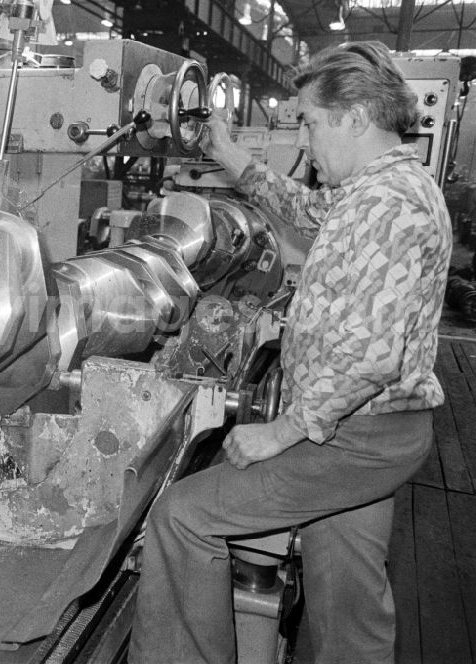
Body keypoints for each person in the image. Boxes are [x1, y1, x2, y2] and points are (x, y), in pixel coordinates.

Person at [129, 41, 452, 663]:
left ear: (355, 116)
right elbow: (304, 210)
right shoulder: (377, 189)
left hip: (355, 436)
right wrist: (224, 150)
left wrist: (282, 432)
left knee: (183, 516)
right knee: (347, 591)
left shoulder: (388, 204)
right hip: (375, 428)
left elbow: (370, 355)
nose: (305, 134)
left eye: (310, 119)